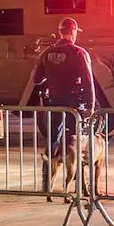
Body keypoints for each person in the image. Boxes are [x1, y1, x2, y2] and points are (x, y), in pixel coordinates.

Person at [33, 17, 96, 190]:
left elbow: (36, 79)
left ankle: (46, 183)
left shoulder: (46, 53)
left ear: (60, 32)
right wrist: (90, 105)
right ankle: (80, 186)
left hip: (54, 104)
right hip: (74, 106)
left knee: (53, 141)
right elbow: (88, 81)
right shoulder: (79, 53)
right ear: (73, 32)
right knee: (76, 144)